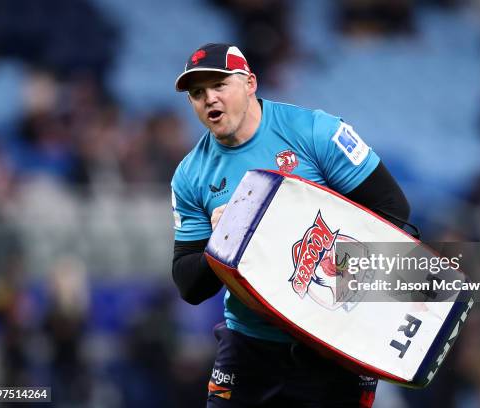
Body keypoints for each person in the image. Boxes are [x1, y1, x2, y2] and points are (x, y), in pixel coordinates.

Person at [171, 43, 411, 407]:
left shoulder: (316, 132)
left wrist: (337, 283)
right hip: (251, 348)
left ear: (250, 83)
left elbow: (394, 211)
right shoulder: (190, 175)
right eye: (197, 93)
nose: (209, 99)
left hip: (334, 346)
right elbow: (189, 284)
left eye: (219, 85)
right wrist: (221, 242)